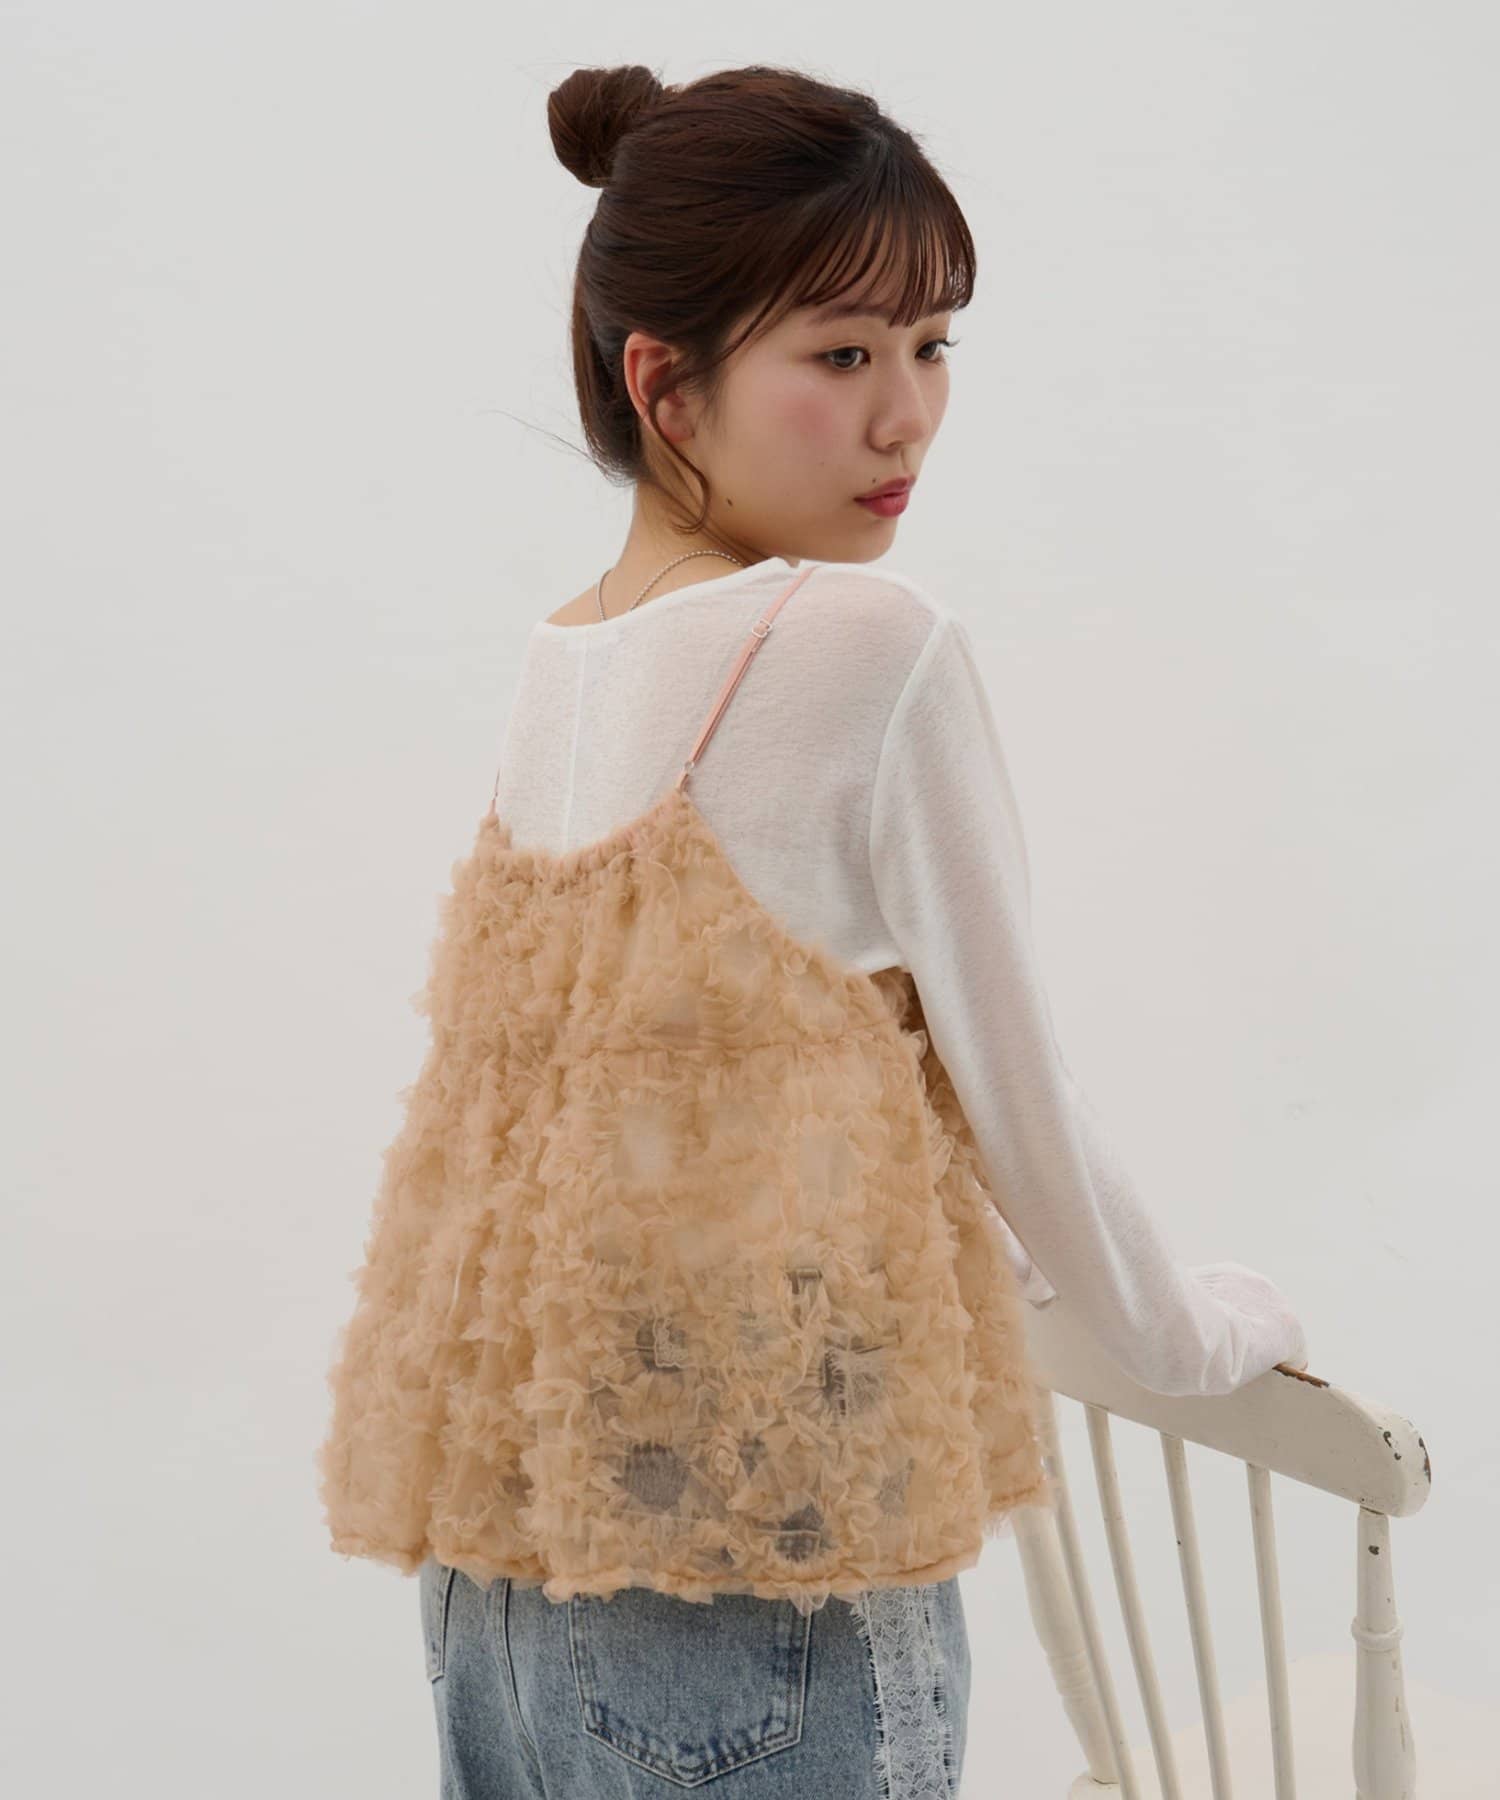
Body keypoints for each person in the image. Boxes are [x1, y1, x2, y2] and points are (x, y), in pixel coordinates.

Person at [319, 61, 1309, 1800]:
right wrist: (1191, 1334)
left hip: (501, 1591)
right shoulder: (865, 646)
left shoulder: (563, 660)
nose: (907, 418)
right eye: (841, 356)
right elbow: (1016, 1088)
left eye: (934, 346)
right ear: (665, 384)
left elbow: (684, 1117)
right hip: (751, 1587)